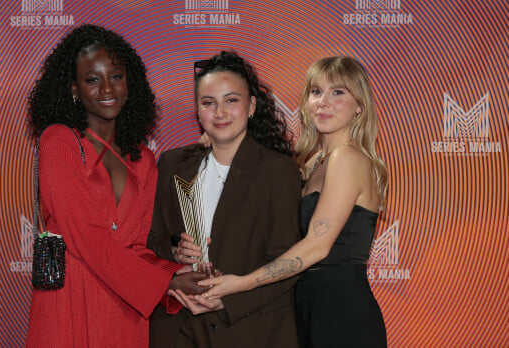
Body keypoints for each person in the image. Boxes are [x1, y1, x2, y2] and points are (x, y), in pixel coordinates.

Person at [25, 24, 207, 347]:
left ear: (130, 83)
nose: (107, 89)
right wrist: (163, 283)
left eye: (116, 77)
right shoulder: (59, 141)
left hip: (123, 313)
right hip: (70, 309)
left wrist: (176, 275)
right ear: (74, 90)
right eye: (92, 79)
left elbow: (136, 249)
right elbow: (85, 236)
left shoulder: (145, 161)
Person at [195, 56, 389, 347]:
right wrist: (225, 139)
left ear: (359, 105)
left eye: (338, 92)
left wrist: (241, 283)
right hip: (307, 308)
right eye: (315, 92)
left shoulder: (348, 158)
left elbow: (316, 245)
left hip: (343, 312)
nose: (323, 102)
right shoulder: (310, 164)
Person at [147, 51, 301, 348]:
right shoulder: (171, 164)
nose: (219, 113)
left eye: (231, 100)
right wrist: (175, 252)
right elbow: (150, 241)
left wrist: (227, 302)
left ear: (252, 105)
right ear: (197, 109)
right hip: (180, 330)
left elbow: (289, 264)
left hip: (251, 330)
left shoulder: (279, 171)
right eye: (208, 103)